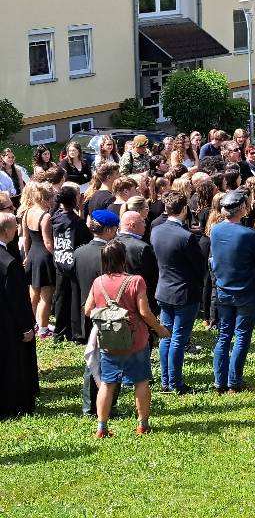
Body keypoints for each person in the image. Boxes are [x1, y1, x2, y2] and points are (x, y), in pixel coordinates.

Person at [84, 240, 170, 437]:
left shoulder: (98, 282)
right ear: (124, 259)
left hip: (109, 341)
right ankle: (143, 424)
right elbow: (144, 312)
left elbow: (88, 310)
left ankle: (102, 427)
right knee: (141, 381)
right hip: (136, 340)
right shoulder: (135, 281)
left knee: (107, 383)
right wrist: (159, 329)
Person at [149, 191, 205, 395]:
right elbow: (199, 267)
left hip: (164, 290)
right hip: (184, 293)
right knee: (178, 338)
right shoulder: (187, 237)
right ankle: (175, 382)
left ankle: (166, 381)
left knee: (166, 336)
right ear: (184, 210)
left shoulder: (156, 231)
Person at [210, 190, 255, 394]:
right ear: (241, 209)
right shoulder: (249, 234)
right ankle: (234, 382)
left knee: (224, 336)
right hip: (245, 292)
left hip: (223, 289)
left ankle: (219, 382)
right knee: (241, 336)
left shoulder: (215, 230)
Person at [75, 210, 119, 416]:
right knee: (106, 361)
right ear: (109, 230)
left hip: (87, 310)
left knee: (92, 360)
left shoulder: (80, 252)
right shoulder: (110, 254)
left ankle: (89, 405)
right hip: (106, 314)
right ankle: (101, 405)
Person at [0, 212, 38, 419]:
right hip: (8, 324)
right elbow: (17, 299)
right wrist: (26, 327)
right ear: (7, 232)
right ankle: (11, 405)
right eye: (15, 227)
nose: (17, 230)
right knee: (11, 365)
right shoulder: (9, 262)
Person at [51, 185, 92, 343]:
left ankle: (59, 332)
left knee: (61, 297)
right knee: (75, 298)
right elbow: (86, 239)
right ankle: (76, 333)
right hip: (73, 265)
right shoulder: (77, 222)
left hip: (60, 261)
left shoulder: (55, 217)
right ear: (75, 200)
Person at [21, 182, 56, 338]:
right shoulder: (46, 216)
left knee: (33, 293)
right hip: (44, 257)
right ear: (46, 199)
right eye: (52, 198)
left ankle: (29, 324)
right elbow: (48, 243)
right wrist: (58, 256)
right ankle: (43, 328)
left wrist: (27, 255)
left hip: (33, 255)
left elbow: (26, 237)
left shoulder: (28, 211)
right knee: (46, 296)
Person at [116, 211, 159, 316]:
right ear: (132, 225)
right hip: (139, 300)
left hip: (117, 299)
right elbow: (153, 278)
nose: (145, 224)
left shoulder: (111, 243)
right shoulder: (143, 248)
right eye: (142, 221)